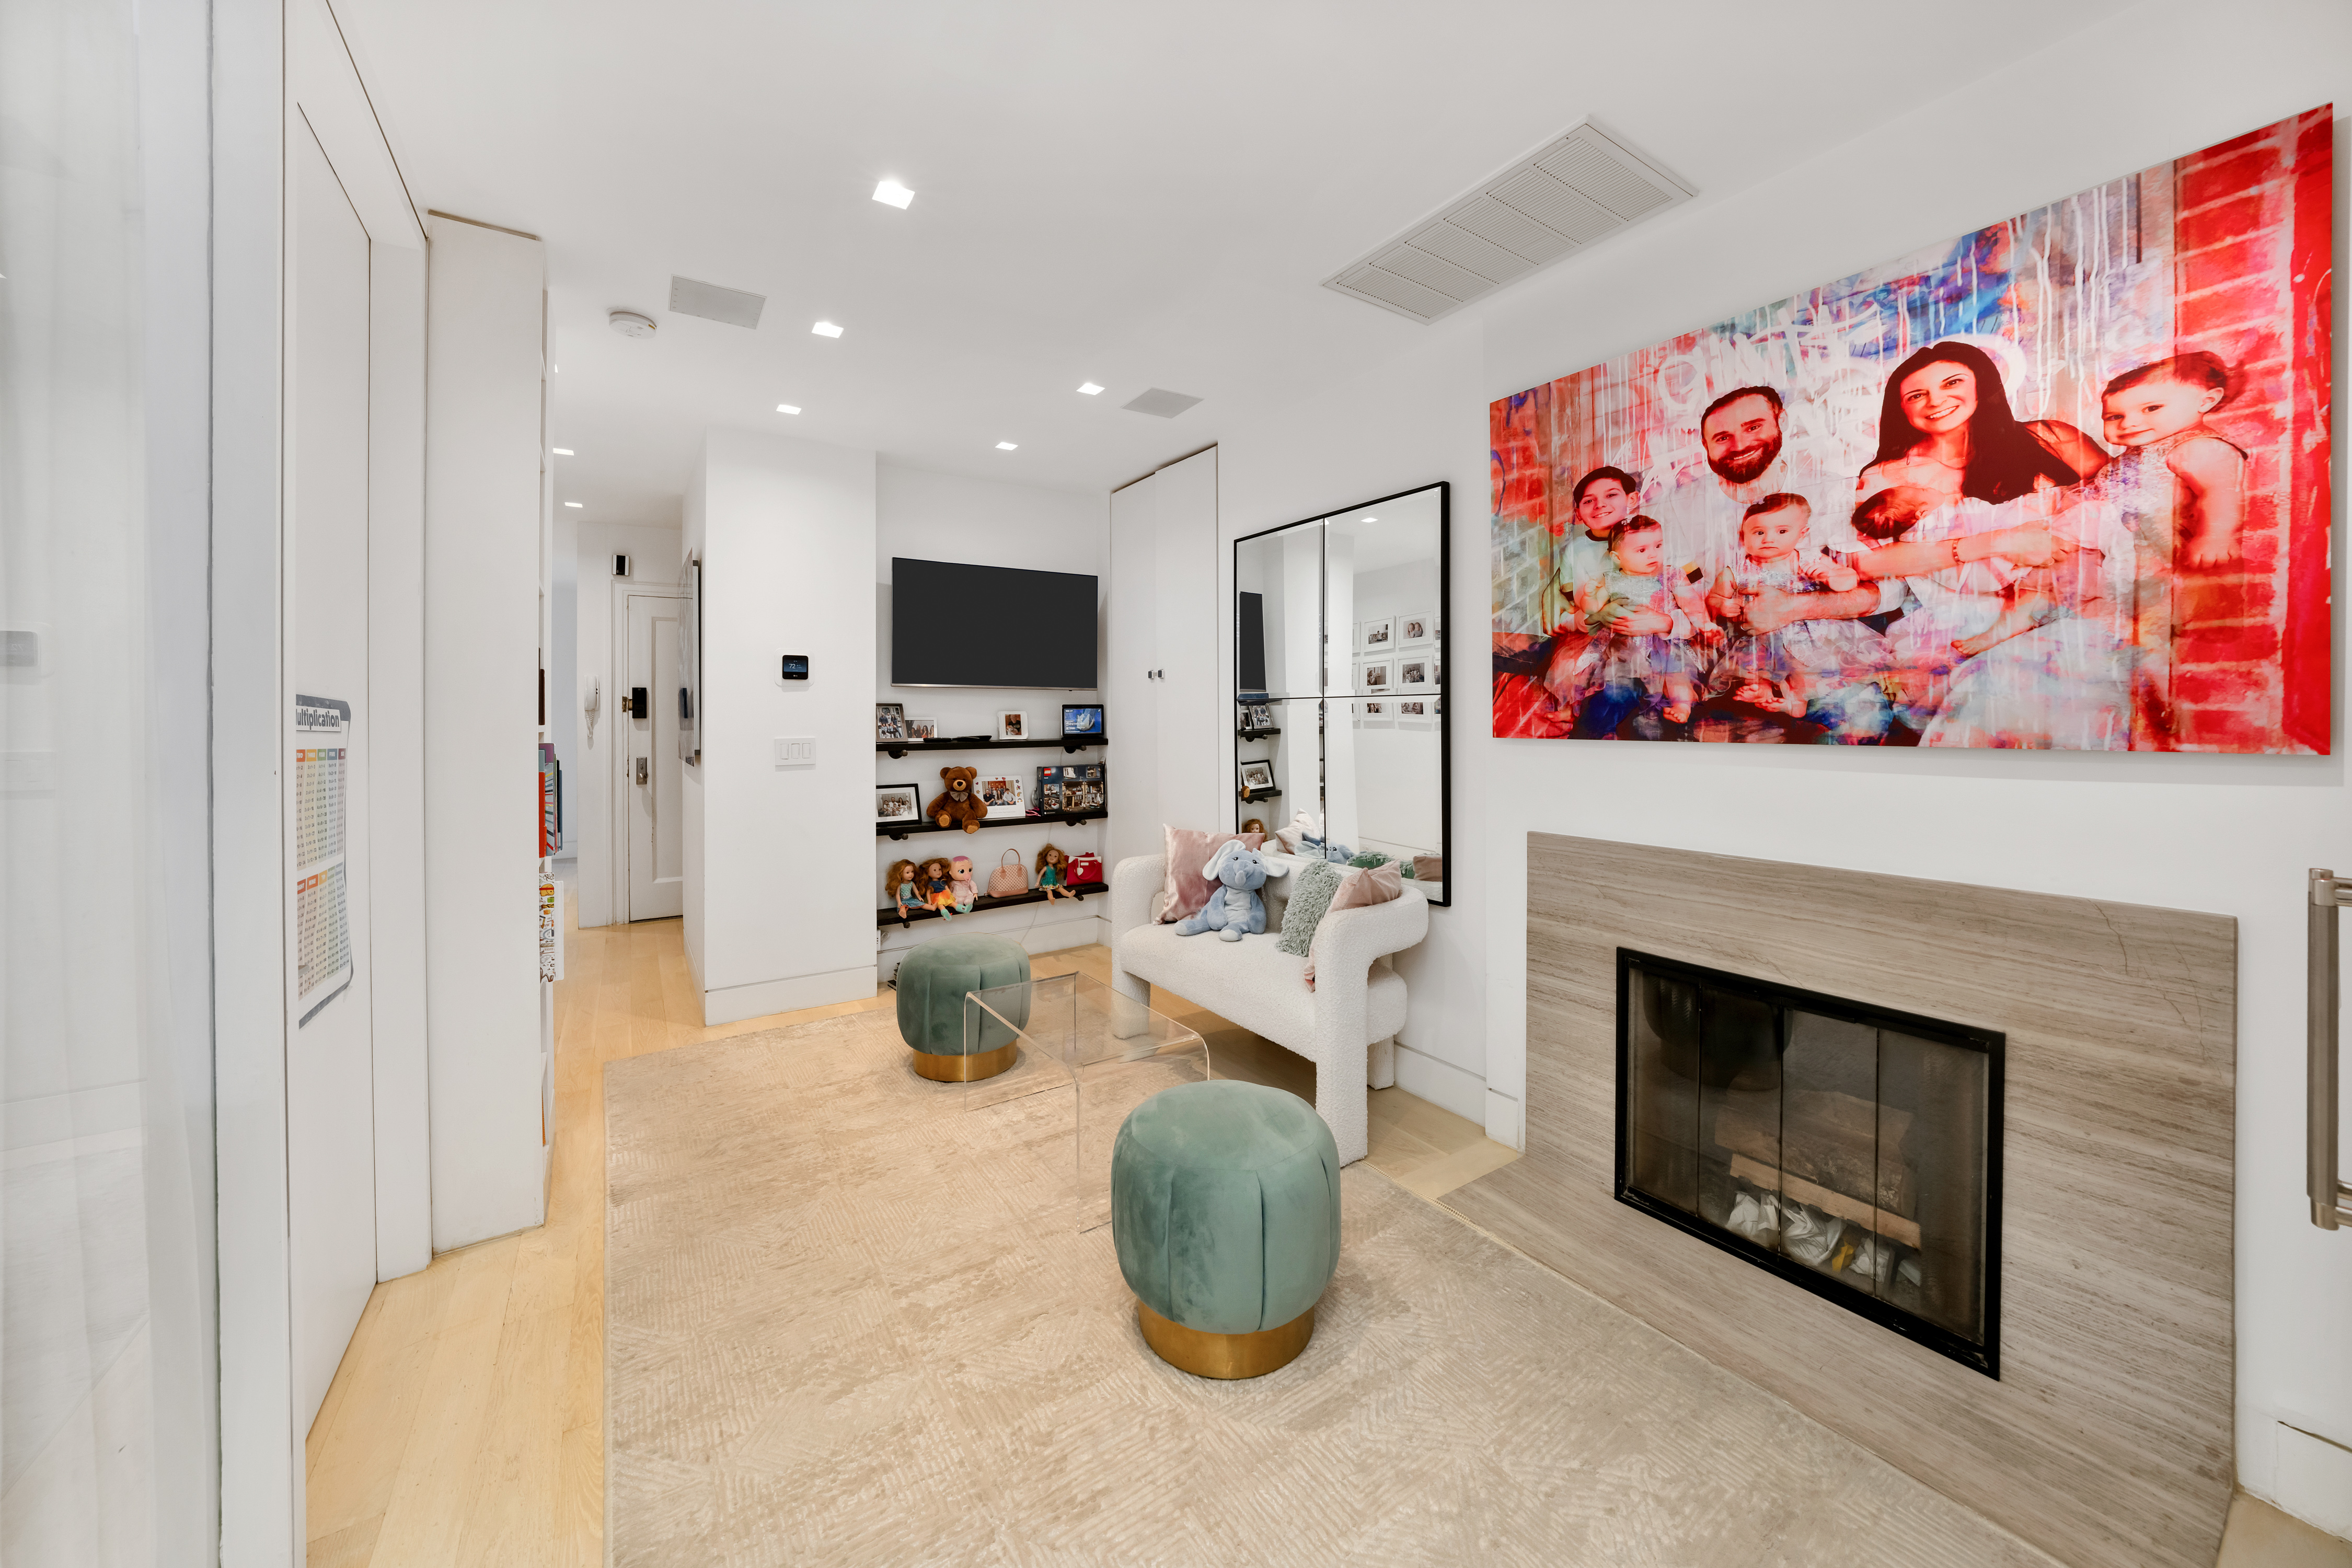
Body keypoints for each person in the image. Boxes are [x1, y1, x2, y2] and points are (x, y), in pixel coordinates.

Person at [2089, 352, 2248, 742]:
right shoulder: (2135, 455)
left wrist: (2216, 534)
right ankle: (2139, 695)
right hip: (2125, 560)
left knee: (2152, 635)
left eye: (2151, 408)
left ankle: (2164, 701)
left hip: (2166, 562)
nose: (2130, 423)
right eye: (2115, 416)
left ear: (2206, 401)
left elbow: (2221, 492)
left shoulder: (2198, 448)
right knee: (2126, 632)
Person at [1705, 494, 1890, 742]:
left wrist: (1831, 577)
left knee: (1805, 667)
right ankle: (1763, 691)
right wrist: (1723, 604)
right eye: (1759, 533)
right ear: (1743, 538)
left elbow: (1849, 579)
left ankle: (1797, 700)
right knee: (1753, 667)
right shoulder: (1736, 571)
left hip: (1811, 633)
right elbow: (1714, 598)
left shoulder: (1809, 560)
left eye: (1782, 531)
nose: (1769, 539)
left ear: (1802, 534)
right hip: (1764, 637)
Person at [1569, 517, 1697, 737]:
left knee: (1677, 675)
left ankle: (1682, 707)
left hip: (1664, 645)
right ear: (1617, 558)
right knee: (1609, 687)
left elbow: (1694, 610)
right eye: (1642, 550)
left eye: (1658, 546)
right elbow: (1592, 609)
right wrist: (1589, 597)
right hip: (1623, 646)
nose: (1653, 554)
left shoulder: (1671, 576)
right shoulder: (1611, 580)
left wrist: (1681, 623)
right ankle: (1583, 718)